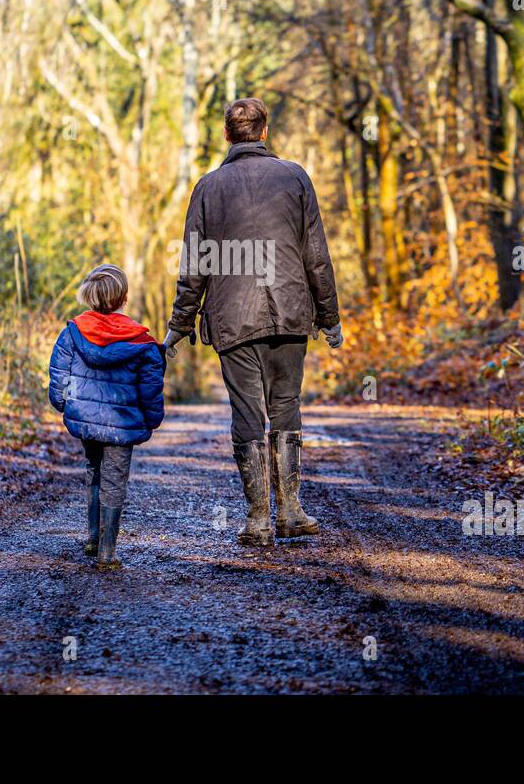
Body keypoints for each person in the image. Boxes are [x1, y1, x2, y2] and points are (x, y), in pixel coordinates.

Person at [163, 97, 342, 547]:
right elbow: (315, 256)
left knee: (247, 413)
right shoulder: (295, 177)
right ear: (265, 131)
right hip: (291, 313)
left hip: (231, 319)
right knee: (286, 406)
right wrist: (330, 317)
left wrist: (179, 326)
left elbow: (194, 265)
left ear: (227, 135)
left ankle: (259, 519)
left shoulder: (208, 187)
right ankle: (291, 511)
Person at [48, 264, 165, 570]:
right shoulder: (141, 341)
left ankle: (92, 537)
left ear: (89, 295)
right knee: (114, 480)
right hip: (122, 424)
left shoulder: (73, 332)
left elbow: (60, 374)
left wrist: (62, 403)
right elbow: (150, 387)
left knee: (94, 472)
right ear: (124, 298)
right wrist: (152, 418)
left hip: (86, 420)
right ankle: (107, 552)